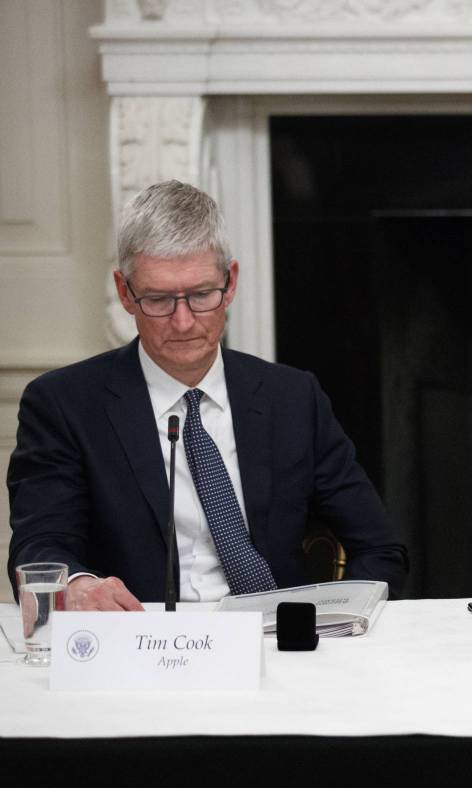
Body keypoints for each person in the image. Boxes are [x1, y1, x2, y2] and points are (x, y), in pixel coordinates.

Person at [7, 180, 407, 609]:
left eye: (201, 295)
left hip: (273, 635)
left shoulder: (293, 399)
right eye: (158, 299)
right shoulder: (64, 405)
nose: (183, 322)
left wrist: (336, 624)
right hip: (142, 636)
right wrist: (78, 587)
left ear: (230, 283)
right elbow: (40, 548)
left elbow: (380, 549)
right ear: (125, 292)